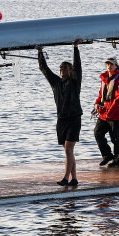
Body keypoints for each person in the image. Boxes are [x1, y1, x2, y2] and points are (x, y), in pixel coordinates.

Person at [38, 40, 83, 187]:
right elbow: (44, 69)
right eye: (61, 67)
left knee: (69, 148)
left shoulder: (75, 82)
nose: (62, 69)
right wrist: (39, 52)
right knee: (68, 151)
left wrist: (75, 48)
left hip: (74, 118)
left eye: (65, 67)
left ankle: (65, 178)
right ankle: (74, 178)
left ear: (70, 70)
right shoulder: (56, 83)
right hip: (61, 120)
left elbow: (78, 67)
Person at [94, 56, 119, 168]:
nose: (109, 66)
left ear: (116, 66)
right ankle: (107, 155)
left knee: (115, 138)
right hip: (104, 113)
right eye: (107, 64)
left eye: (111, 64)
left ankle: (117, 160)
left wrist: (109, 112)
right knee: (97, 133)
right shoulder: (104, 78)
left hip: (114, 114)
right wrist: (97, 104)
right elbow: (100, 95)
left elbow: (118, 98)